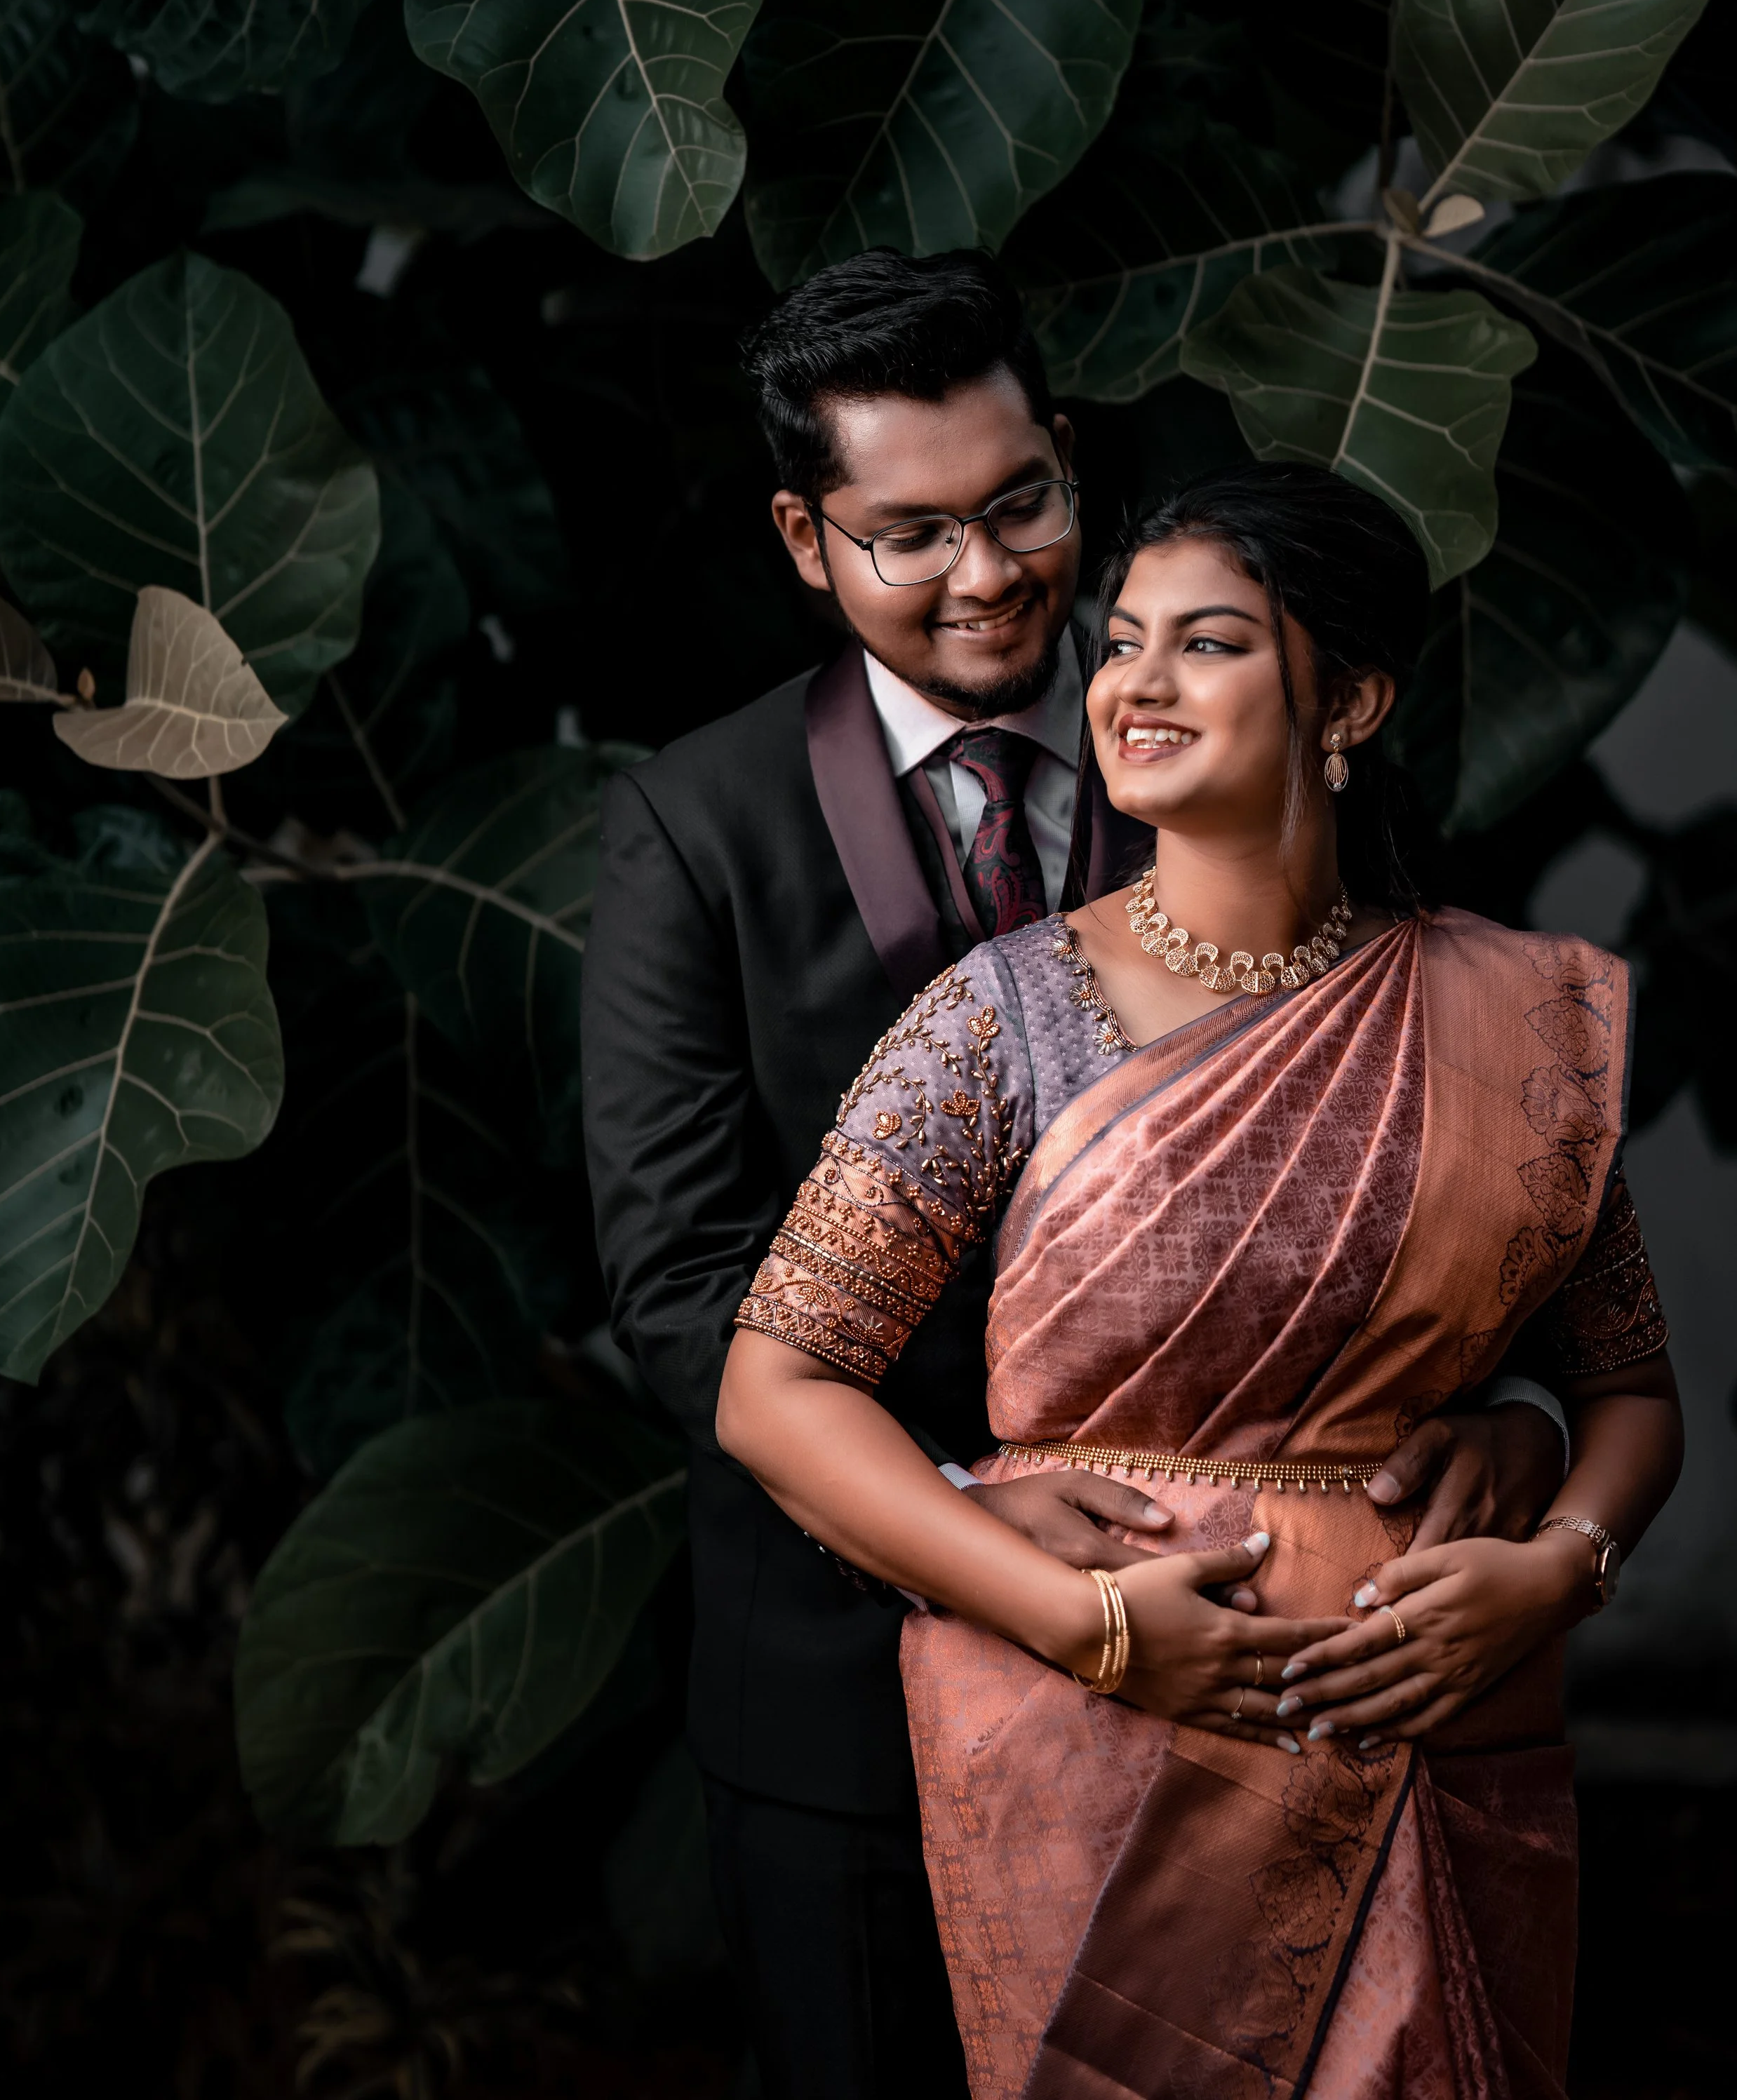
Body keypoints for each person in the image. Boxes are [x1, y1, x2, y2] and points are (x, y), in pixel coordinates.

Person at [582, 257, 1571, 2100]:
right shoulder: (691, 828)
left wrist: (1509, 1412)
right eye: (910, 534)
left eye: (1020, 502)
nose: (986, 573)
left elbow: (1442, 1129)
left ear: (1066, 460)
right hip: (849, 1691)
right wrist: (977, 1517)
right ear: (804, 538)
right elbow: (681, 1288)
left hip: (1284, 1662)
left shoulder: (1260, 738)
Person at [717, 460, 1682, 2100]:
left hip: (1420, 1715)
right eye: (1121, 643)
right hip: (1083, 1743)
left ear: (1348, 702)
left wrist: (1556, 1572)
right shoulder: (1004, 1013)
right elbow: (776, 1388)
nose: (1135, 685)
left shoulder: (1507, 1022)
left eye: (1207, 644)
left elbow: (1629, 1391)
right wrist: (1087, 1625)